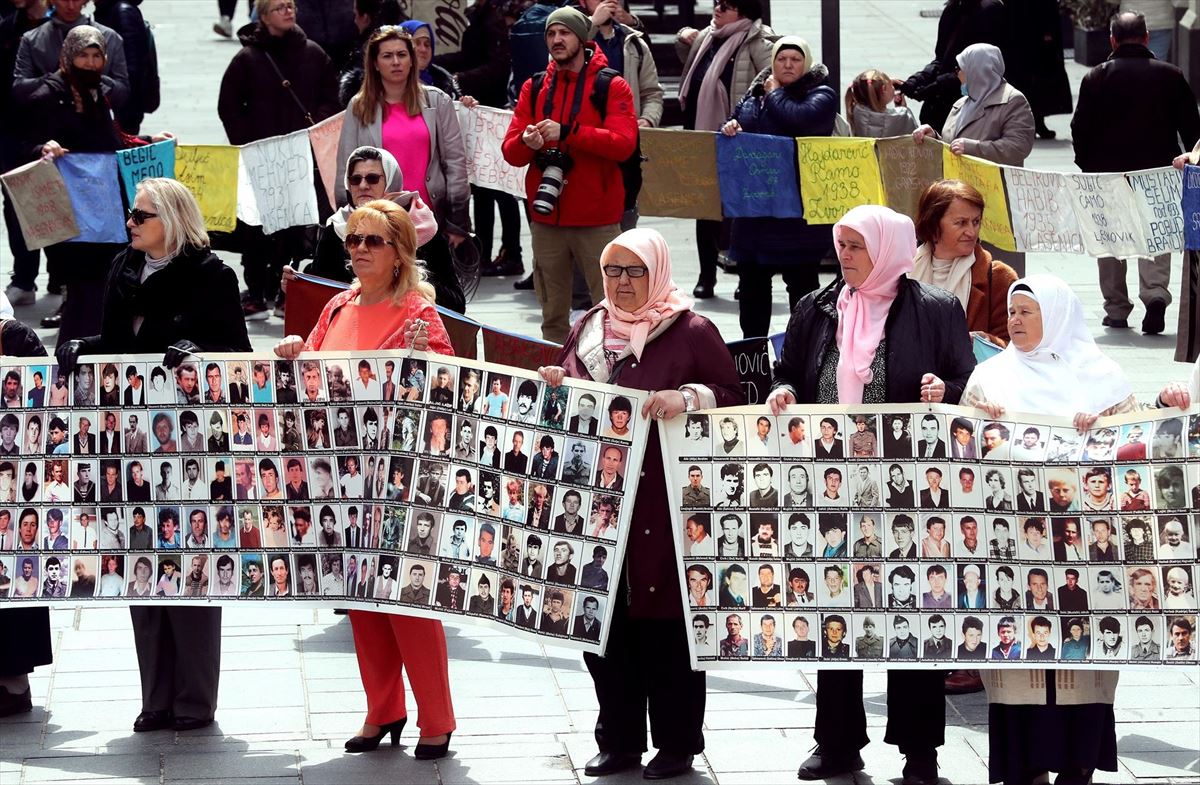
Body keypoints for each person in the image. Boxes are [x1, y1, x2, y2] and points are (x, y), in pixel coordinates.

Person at [768, 204, 975, 785]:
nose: (845, 256)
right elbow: (790, 373)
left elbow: (966, 381)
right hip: (833, 488)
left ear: (887, 249)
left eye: (857, 246)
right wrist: (784, 391)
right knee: (837, 609)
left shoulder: (935, 309)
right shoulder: (817, 306)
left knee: (912, 614)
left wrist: (947, 388)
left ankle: (920, 751)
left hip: (908, 492)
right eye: (841, 245)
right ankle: (836, 742)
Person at [537, 227, 742, 780]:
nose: (622, 283)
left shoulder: (690, 329)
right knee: (604, 627)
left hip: (664, 507)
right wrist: (556, 380)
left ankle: (677, 744)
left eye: (635, 272)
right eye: (612, 271)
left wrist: (688, 398)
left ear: (657, 272)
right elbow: (569, 391)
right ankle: (620, 739)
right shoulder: (588, 327)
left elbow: (733, 398)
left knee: (669, 628)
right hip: (600, 509)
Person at [50, 177, 249, 732]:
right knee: (141, 568)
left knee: (190, 568)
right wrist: (79, 349)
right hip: (131, 448)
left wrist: (199, 353)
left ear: (172, 218)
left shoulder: (212, 275)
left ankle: (193, 700)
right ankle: (155, 698)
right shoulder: (123, 269)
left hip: (191, 450)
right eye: (131, 214)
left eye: (142, 214)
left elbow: (237, 354)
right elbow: (118, 344)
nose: (131, 222)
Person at [274, 197, 455, 761]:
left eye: (372, 241)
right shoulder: (337, 305)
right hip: (341, 476)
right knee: (361, 596)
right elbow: (315, 372)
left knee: (406, 599)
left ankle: (436, 717)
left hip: (399, 477)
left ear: (400, 252)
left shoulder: (420, 315)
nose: (358, 250)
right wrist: (294, 353)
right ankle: (383, 709)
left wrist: (422, 366)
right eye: (353, 239)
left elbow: (447, 390)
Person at [960, 273, 1138, 785]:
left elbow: (1133, 456)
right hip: (1015, 549)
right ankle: (1024, 765)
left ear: (1056, 317)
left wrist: (1100, 432)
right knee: (1021, 660)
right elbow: (960, 458)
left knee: (1079, 658)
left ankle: (1079, 763)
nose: (1014, 322)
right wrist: (979, 421)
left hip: (1082, 549)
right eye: (1011, 313)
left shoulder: (1102, 379)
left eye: (1026, 312)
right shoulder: (991, 378)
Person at [21, 24, 171, 340]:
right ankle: (73, 366)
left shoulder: (100, 94)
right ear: (68, 56)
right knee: (82, 296)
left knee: (109, 291)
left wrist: (147, 141)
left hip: (107, 218)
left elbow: (111, 141)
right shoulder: (47, 94)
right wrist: (42, 148)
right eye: (83, 56)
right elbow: (18, 147)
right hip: (73, 222)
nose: (90, 63)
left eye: (96, 56)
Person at [501, 7, 638, 342]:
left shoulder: (612, 85)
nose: (557, 40)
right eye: (551, 34)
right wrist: (528, 141)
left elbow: (623, 144)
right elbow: (510, 152)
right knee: (552, 317)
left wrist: (568, 131)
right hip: (547, 221)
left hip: (597, 219)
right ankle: (557, 383)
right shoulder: (533, 87)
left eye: (564, 33)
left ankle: (612, 383)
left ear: (582, 37)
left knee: (613, 313)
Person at [1072, 11, 1200, 334]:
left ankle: (1116, 307)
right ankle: (1155, 294)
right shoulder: (1171, 75)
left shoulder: (1095, 77)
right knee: (1155, 232)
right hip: (1159, 170)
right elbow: (1193, 128)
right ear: (1146, 37)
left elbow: (1079, 129)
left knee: (1110, 237)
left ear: (1112, 39)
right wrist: (1189, 158)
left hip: (1107, 174)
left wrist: (1088, 166)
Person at [217, 0, 340, 319]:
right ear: (264, 15)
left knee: (298, 223)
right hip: (262, 158)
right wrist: (249, 143)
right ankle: (257, 290)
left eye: (290, 6)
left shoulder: (313, 53)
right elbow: (229, 106)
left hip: (301, 156)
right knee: (257, 225)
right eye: (280, 7)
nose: (289, 11)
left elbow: (330, 98)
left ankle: (287, 290)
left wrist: (314, 132)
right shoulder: (247, 58)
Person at [335, 26, 471, 312]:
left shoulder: (437, 101)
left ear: (412, 59)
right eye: (387, 56)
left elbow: (455, 163)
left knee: (430, 301)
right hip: (377, 224)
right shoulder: (359, 107)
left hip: (425, 223)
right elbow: (345, 169)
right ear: (374, 62)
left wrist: (458, 223)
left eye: (401, 54)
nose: (396, 62)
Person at [721, 36, 836, 337]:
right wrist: (731, 127)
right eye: (781, 59)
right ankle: (753, 354)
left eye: (795, 59)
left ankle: (804, 354)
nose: (787, 64)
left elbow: (801, 121)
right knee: (752, 289)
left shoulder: (821, 94)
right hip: (755, 213)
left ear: (806, 63)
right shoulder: (754, 95)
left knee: (802, 290)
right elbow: (736, 120)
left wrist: (775, 95)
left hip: (796, 217)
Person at [675, 0, 775, 298]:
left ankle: (745, 277)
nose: (717, 10)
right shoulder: (709, 35)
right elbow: (691, 65)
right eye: (717, 4)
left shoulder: (760, 40)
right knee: (705, 208)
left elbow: (772, 82)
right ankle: (707, 276)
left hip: (739, 138)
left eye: (726, 6)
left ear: (743, 12)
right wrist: (683, 35)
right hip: (703, 134)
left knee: (741, 209)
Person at [913, 43, 1034, 275]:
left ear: (979, 70)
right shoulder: (962, 103)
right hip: (960, 199)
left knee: (995, 271)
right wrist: (935, 136)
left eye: (962, 68)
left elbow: (1018, 147)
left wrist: (974, 148)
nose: (958, 73)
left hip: (996, 202)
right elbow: (953, 144)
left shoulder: (1012, 101)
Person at [306, 146, 439, 285]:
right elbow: (318, 289)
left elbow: (453, 301)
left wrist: (404, 286)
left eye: (372, 178)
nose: (363, 186)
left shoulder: (419, 222)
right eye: (355, 179)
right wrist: (294, 284)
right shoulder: (336, 227)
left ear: (391, 181)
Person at [912, 180, 1017, 344]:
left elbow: (1016, 344)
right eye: (961, 223)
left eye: (976, 222)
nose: (971, 232)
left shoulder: (999, 277)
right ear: (933, 225)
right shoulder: (901, 273)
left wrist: (984, 341)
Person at [896, 0, 1010, 133]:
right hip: (942, 108)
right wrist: (916, 80)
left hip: (975, 109)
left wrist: (937, 86)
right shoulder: (952, 9)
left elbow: (983, 68)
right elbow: (941, 59)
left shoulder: (990, 10)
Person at [844, 69, 916, 138]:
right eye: (892, 86)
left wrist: (881, 84)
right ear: (884, 89)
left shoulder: (855, 111)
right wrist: (902, 107)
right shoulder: (903, 115)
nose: (893, 88)